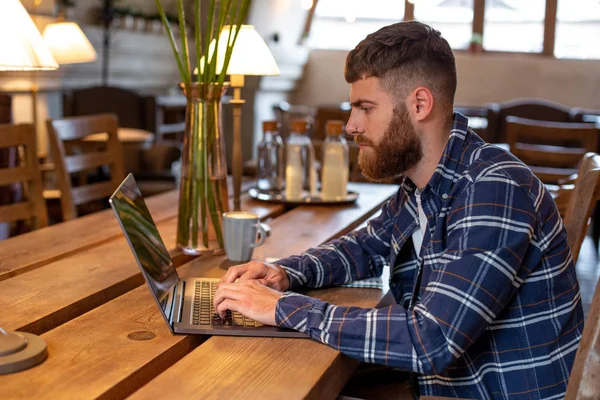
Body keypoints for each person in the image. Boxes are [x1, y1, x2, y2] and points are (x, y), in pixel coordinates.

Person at [213, 21, 583, 399]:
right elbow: (363, 247)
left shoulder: (493, 187)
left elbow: (430, 340)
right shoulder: (426, 183)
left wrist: (284, 309)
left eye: (365, 108)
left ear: (419, 104)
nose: (350, 126)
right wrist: (283, 273)